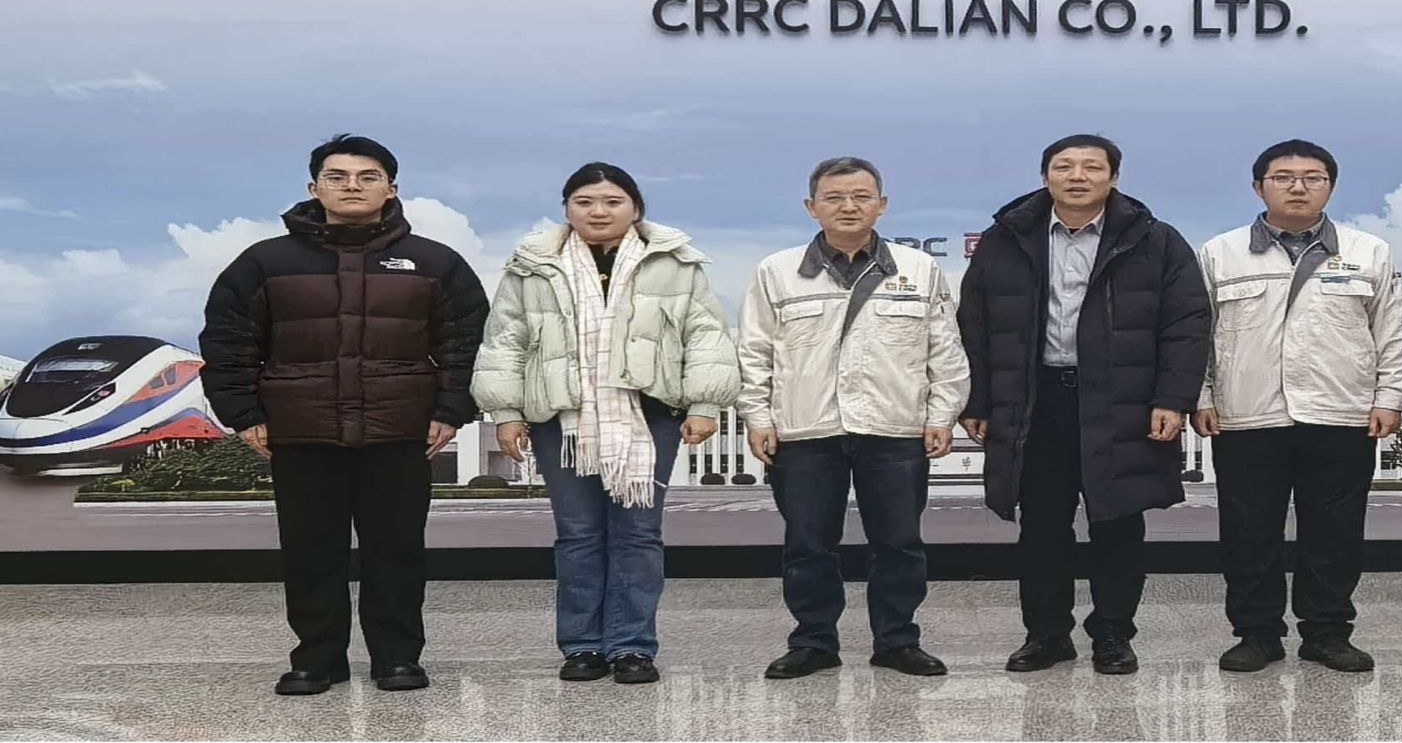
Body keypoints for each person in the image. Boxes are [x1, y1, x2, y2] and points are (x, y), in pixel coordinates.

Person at [199, 134, 488, 696]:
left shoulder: (435, 262)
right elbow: (228, 342)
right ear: (315, 188)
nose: (352, 186)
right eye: (337, 177)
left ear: (391, 188)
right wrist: (244, 413)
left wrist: (451, 409)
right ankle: (316, 659)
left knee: (396, 551)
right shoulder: (264, 262)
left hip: (400, 430)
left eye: (367, 177)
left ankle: (397, 658)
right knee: (310, 552)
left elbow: (466, 343)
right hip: (300, 431)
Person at [470, 163, 739, 685]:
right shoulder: (532, 266)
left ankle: (632, 646)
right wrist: (505, 411)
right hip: (561, 418)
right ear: (566, 208)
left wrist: (706, 402)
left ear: (635, 208)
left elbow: (705, 334)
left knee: (639, 534)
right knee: (578, 534)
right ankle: (582, 646)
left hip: (649, 414)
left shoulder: (675, 262)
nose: (598, 211)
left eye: (612, 201)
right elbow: (505, 340)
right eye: (585, 201)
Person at [957, 134, 1211, 676]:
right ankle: (1046, 636)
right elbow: (974, 325)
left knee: (1118, 523)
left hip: (1123, 400)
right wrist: (977, 400)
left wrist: (1172, 399)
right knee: (1042, 526)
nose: (1078, 176)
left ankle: (1113, 634)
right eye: (1064, 166)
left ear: (1113, 178)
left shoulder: (1155, 240)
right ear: (1045, 176)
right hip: (1035, 401)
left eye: (1092, 167)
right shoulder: (1007, 239)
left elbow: (1187, 324)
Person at [737, 157, 969, 680]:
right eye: (835, 197)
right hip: (805, 430)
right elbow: (754, 351)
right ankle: (813, 642)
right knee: (807, 545)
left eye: (861, 197)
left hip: (894, 427)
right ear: (811, 206)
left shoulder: (918, 269)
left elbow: (944, 348)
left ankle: (897, 641)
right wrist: (758, 417)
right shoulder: (777, 271)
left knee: (899, 543)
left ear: (881, 205)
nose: (848, 206)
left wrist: (942, 413)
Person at [1190, 140, 1402, 673]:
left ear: (1330, 187)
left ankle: (1328, 632)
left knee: (1335, 531)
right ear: (1258, 187)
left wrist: (1390, 397)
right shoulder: (1220, 252)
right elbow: (1196, 333)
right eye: (1283, 177)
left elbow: (1392, 328)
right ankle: (1257, 633)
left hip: (1341, 412)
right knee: (1249, 532)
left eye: (1313, 178)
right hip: (1247, 413)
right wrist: (1200, 395)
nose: (1298, 187)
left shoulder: (1368, 251)